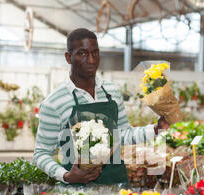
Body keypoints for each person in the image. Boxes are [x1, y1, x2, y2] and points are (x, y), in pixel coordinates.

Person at [33, 28, 170, 185]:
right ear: (68, 57)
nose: (91, 60)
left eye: (95, 53)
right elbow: (41, 154)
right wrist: (65, 176)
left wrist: (156, 128)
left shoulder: (111, 91)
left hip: (117, 185)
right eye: (82, 53)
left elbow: (123, 134)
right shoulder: (54, 102)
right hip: (78, 193)